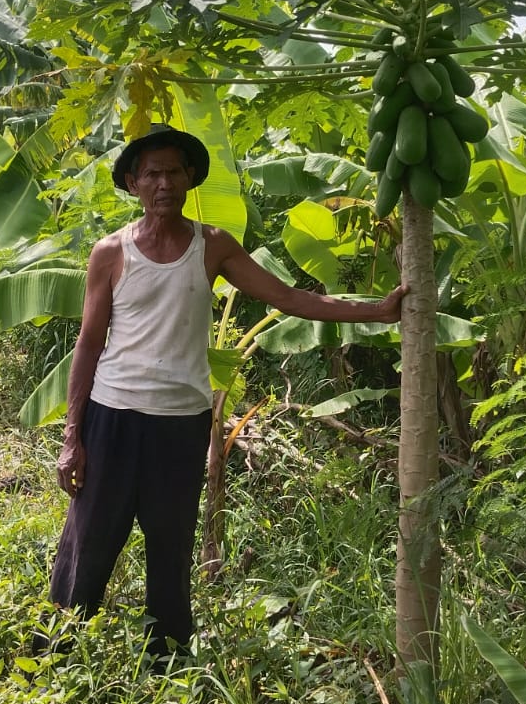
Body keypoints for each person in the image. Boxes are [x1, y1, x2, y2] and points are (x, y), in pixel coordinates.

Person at [49, 124, 405, 656]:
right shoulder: (110, 253)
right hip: (113, 417)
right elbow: (88, 344)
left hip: (180, 425)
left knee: (171, 545)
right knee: (90, 539)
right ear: (132, 183)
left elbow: (287, 298)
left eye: (174, 172)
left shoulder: (211, 247)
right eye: (152, 174)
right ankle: (60, 649)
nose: (164, 183)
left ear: (190, 178)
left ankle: (167, 658)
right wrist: (72, 435)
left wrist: (376, 310)